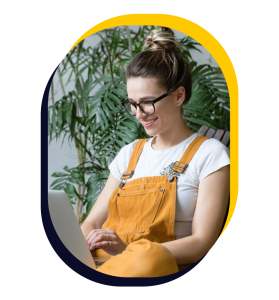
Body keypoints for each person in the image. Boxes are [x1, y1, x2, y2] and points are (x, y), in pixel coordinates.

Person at [80, 27, 230, 277]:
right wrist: (85, 242)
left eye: (147, 102)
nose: (138, 114)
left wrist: (130, 251)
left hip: (158, 266)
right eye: (132, 104)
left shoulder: (210, 154)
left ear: (179, 95)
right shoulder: (129, 154)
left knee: (150, 258)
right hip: (108, 264)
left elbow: (203, 242)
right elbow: (92, 222)